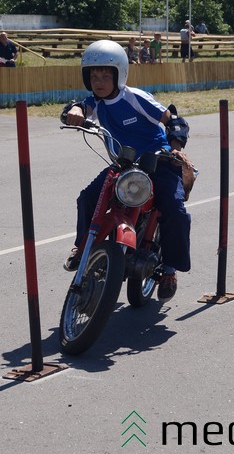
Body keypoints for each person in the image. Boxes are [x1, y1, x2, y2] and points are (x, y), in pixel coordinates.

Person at [61, 40, 193, 303]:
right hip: (125, 164)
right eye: (94, 76)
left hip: (159, 163)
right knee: (88, 197)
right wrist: (74, 111)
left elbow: (174, 120)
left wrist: (176, 148)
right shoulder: (94, 102)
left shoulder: (134, 97)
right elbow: (77, 108)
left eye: (106, 75)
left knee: (174, 210)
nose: (99, 81)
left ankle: (169, 269)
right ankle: (83, 246)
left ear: (118, 75)